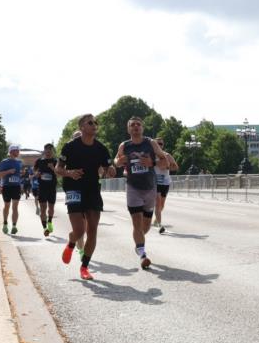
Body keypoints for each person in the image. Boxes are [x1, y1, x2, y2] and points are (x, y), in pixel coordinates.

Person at [57, 114, 116, 280]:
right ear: (82, 126)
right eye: (90, 123)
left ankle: (84, 267)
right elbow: (58, 169)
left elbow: (108, 168)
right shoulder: (70, 146)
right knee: (79, 230)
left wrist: (110, 171)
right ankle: (71, 243)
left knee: (92, 230)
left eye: (95, 123)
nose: (94, 125)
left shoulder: (101, 148)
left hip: (92, 190)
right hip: (74, 189)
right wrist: (69, 172)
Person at [115, 116, 166, 269]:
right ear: (128, 129)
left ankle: (138, 244)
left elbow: (166, 162)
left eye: (138, 124)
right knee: (137, 224)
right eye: (132, 125)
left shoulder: (151, 143)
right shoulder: (124, 145)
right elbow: (116, 161)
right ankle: (143, 254)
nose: (136, 127)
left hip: (150, 188)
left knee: (146, 227)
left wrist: (153, 163)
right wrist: (119, 162)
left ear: (142, 128)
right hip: (133, 188)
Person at [153, 137, 179, 233]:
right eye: (158, 143)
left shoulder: (167, 155)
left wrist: (168, 166)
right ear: (154, 145)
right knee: (157, 202)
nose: (159, 145)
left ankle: (156, 219)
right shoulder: (150, 156)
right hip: (154, 182)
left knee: (161, 204)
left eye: (161, 144)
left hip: (165, 182)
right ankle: (160, 225)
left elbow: (175, 167)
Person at [0, 145, 24, 234]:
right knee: (7, 206)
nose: (18, 152)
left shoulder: (20, 162)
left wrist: (21, 176)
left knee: (15, 207)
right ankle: (5, 224)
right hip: (7, 187)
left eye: (18, 151)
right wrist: (9, 171)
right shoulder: (4, 162)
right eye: (17, 151)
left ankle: (14, 226)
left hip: (16, 187)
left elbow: (19, 175)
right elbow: (0, 175)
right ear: (11, 152)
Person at [34, 143, 58, 237]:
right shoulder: (39, 161)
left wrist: (53, 168)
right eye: (46, 150)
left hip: (52, 188)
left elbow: (60, 173)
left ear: (52, 151)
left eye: (50, 150)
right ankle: (44, 228)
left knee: (51, 208)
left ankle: (50, 222)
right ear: (44, 151)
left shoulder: (56, 161)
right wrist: (37, 174)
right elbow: (35, 170)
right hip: (42, 187)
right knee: (43, 209)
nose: (48, 151)